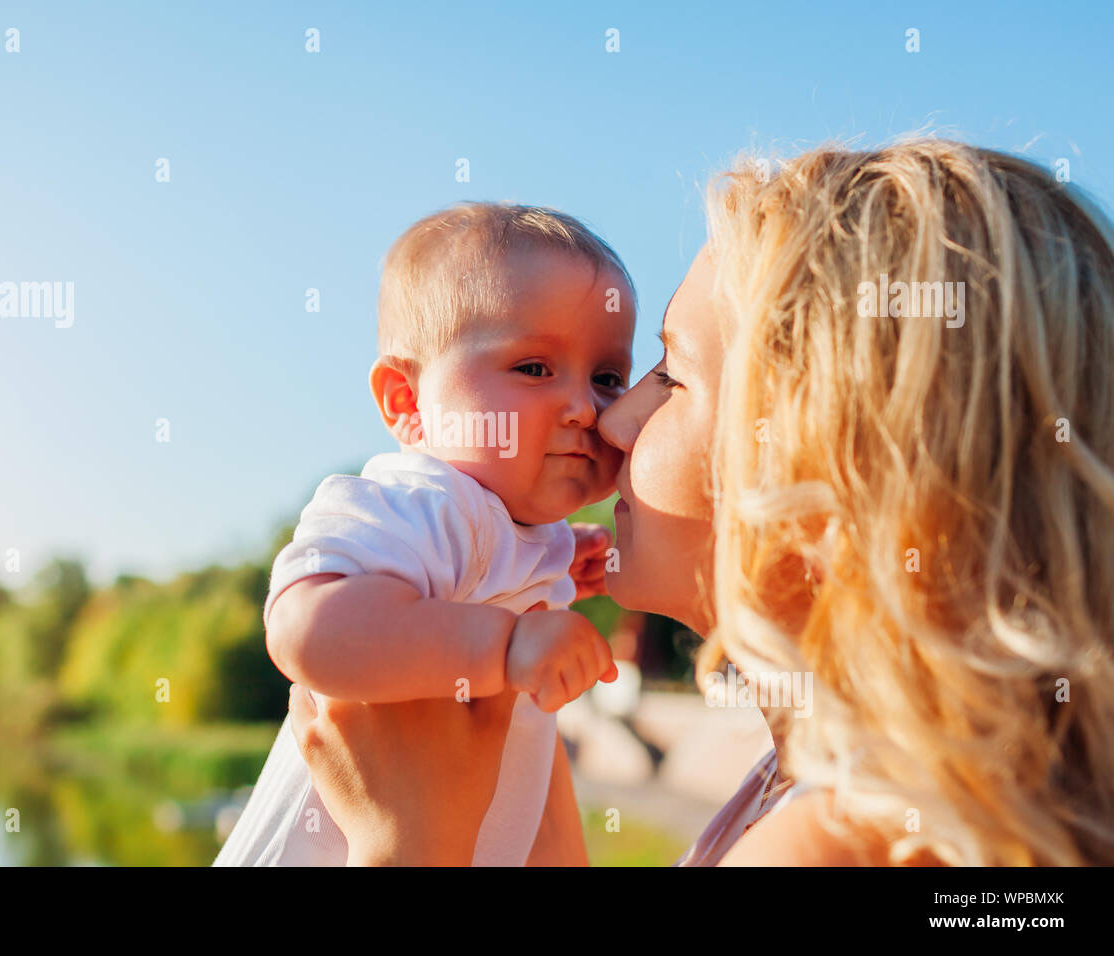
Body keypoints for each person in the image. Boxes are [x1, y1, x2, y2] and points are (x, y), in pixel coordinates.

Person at [288, 140, 1114, 866]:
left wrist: (409, 850)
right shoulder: (826, 789)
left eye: (668, 377)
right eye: (538, 370)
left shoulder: (832, 846)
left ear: (823, 460)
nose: (610, 418)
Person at [214, 202, 635, 866]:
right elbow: (304, 627)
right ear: (408, 405)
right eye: (533, 368)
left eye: (608, 377)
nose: (584, 406)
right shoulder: (425, 503)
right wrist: (507, 643)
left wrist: (558, 563)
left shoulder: (510, 537)